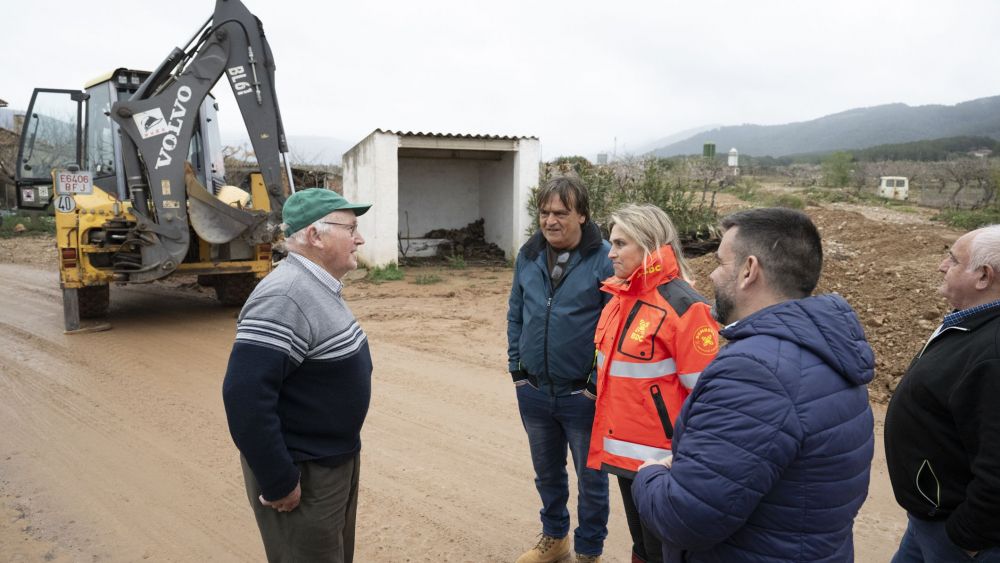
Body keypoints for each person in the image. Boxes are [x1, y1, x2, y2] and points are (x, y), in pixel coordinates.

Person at [632, 207, 875, 562]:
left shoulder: (754, 373)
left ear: (748, 270)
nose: (712, 274)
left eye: (719, 262)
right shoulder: (827, 350)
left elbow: (685, 518)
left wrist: (651, 475)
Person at [222, 188, 373, 563]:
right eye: (350, 228)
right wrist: (278, 480)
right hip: (303, 474)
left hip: (331, 461)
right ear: (315, 236)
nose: (359, 238)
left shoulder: (317, 285)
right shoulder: (284, 296)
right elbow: (245, 398)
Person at [587, 204, 719, 563]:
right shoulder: (619, 298)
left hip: (664, 462)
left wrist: (684, 459)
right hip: (628, 456)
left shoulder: (686, 307)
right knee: (643, 547)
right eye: (610, 243)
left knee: (667, 552)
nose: (610, 252)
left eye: (619, 243)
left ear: (648, 244)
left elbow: (709, 398)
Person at [507, 176, 613, 563]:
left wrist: (593, 384)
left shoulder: (604, 258)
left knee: (592, 481)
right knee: (547, 474)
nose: (550, 221)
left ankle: (588, 551)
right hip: (534, 391)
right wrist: (517, 371)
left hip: (581, 395)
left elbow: (611, 329)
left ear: (582, 215)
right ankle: (556, 540)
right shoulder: (529, 253)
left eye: (561, 213)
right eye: (545, 212)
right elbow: (516, 312)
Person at [885, 225, 1000, 562]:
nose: (941, 265)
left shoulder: (993, 350)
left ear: (983, 276)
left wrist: (966, 538)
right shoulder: (973, 321)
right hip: (930, 520)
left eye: (953, 259)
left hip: (958, 536)